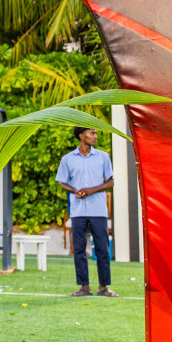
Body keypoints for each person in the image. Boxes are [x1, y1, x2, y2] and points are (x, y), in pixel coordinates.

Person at [57, 127, 116, 297]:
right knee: (80, 250)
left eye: (96, 133)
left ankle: (103, 287)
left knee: (103, 250)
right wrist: (74, 190)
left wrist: (92, 190)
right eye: (92, 133)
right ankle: (84, 287)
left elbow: (110, 182)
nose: (95, 136)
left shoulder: (103, 157)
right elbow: (62, 182)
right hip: (77, 211)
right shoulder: (67, 159)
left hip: (98, 210)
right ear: (81, 136)